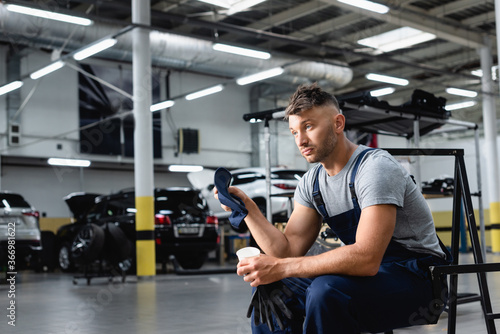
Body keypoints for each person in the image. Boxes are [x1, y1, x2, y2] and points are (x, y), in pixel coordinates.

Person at [215, 83, 450, 333]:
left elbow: (367, 258)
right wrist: (249, 208)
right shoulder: (311, 182)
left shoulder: (375, 168)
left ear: (338, 123)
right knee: (275, 292)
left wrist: (281, 268)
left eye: (309, 126)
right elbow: (286, 250)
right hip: (369, 277)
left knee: (326, 292)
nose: (301, 140)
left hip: (419, 280)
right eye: (294, 132)